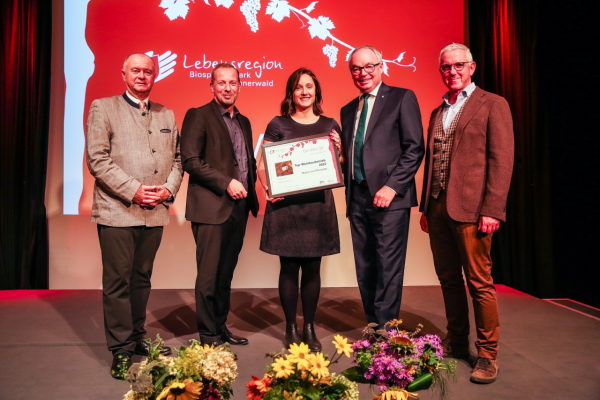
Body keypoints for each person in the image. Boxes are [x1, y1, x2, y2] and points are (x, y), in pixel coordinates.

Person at [419, 43, 514, 384]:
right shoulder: (438, 111)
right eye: (446, 67)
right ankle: (457, 342)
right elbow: (433, 160)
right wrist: (425, 206)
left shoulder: (493, 104)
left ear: (472, 67)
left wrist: (493, 209)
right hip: (438, 205)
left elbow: (501, 161)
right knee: (448, 279)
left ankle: (487, 355)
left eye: (459, 65)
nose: (452, 71)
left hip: (474, 211)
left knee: (479, 282)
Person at [85, 53, 183, 379]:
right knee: (118, 283)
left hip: (154, 213)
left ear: (155, 76)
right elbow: (97, 160)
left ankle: (138, 337)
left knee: (142, 279)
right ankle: (121, 350)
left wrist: (168, 190)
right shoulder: (104, 107)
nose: (142, 76)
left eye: (147, 71)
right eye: (136, 70)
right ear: (124, 74)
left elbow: (178, 160)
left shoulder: (166, 113)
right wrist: (133, 190)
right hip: (117, 211)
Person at [331, 45, 424, 330]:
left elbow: (414, 148)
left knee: (388, 268)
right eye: (356, 69)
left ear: (381, 66)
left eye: (368, 66)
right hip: (357, 197)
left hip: (389, 198)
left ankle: (387, 332)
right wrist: (340, 154)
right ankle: (373, 326)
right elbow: (361, 154)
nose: (363, 73)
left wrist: (391, 187)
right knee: (366, 267)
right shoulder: (348, 109)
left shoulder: (401, 97)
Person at [257, 68, 341, 351]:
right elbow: (262, 165)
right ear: (291, 93)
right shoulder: (278, 123)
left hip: (318, 208)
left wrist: (339, 152)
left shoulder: (331, 124)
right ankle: (291, 327)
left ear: (316, 91)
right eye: (298, 87)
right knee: (289, 268)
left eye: (309, 86)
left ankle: (309, 327)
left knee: (314, 268)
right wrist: (268, 187)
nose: (304, 92)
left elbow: (338, 167)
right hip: (286, 208)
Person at [181, 63, 259, 347]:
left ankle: (220, 327)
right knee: (209, 277)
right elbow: (190, 159)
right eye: (221, 83)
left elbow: (246, 164)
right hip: (211, 207)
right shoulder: (198, 115)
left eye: (233, 83)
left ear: (239, 86)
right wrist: (226, 182)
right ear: (211, 86)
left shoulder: (244, 121)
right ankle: (208, 336)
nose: (228, 88)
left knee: (225, 274)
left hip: (238, 209)